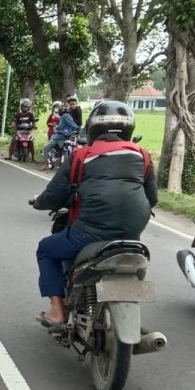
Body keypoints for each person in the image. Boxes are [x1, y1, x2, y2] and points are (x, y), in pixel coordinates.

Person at [29, 101, 157, 328]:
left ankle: (57, 311)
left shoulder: (81, 156)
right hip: (132, 235)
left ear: (92, 128)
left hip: (88, 234)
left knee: (46, 249)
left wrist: (39, 203)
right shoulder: (143, 156)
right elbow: (152, 198)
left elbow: (54, 195)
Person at [42, 101, 80, 169]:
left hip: (61, 136)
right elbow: (71, 125)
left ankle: (46, 164)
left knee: (46, 148)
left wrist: (77, 129)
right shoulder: (64, 116)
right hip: (61, 136)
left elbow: (72, 125)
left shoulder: (65, 116)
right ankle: (49, 163)